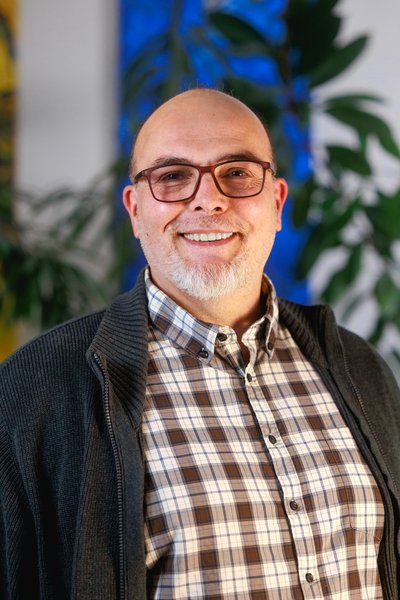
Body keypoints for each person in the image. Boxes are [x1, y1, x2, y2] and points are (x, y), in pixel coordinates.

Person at [1, 88, 399, 600]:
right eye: (172, 176)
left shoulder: (360, 368)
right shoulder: (35, 391)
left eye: (237, 172)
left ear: (277, 203)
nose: (208, 199)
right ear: (135, 211)